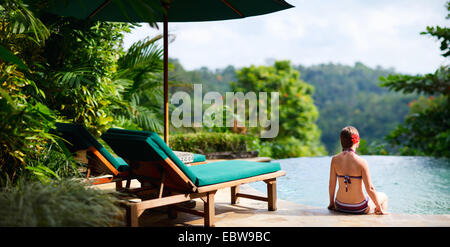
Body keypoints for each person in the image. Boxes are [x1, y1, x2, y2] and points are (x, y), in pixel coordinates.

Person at [328, 126, 389, 215]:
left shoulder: (335, 159)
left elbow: (331, 184)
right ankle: (379, 216)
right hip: (358, 207)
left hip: (340, 205)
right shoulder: (361, 162)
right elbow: (370, 189)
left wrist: (331, 203)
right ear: (356, 141)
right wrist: (378, 206)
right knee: (384, 196)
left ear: (342, 142)